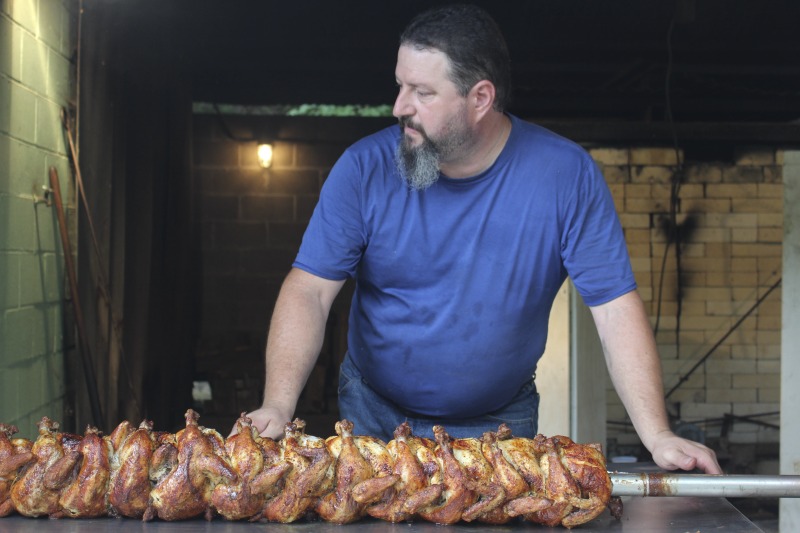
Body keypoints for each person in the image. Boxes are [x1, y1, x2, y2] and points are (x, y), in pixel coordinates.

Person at [238, 3, 722, 475]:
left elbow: (614, 308)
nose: (399, 107)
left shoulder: (566, 176)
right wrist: (278, 404)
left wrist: (657, 435)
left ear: (480, 98)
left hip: (498, 426)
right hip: (374, 417)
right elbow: (310, 290)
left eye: (422, 92)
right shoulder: (362, 169)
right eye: (400, 85)